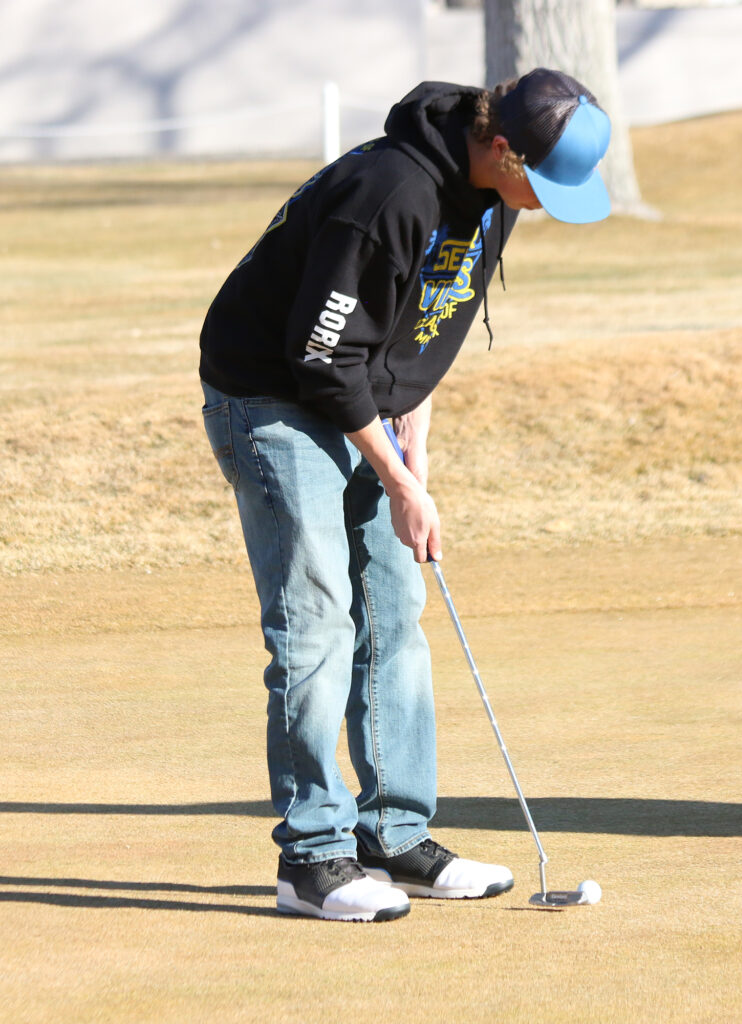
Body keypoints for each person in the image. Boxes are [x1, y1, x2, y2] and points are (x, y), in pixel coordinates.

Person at [199, 68, 611, 922]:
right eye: (544, 179)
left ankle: (393, 837)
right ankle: (312, 860)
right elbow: (321, 354)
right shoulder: (387, 193)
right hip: (271, 397)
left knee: (393, 610)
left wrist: (412, 449)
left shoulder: (495, 199)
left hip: (359, 400)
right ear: (501, 148)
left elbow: (422, 327)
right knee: (314, 626)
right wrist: (393, 477)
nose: (548, 201)